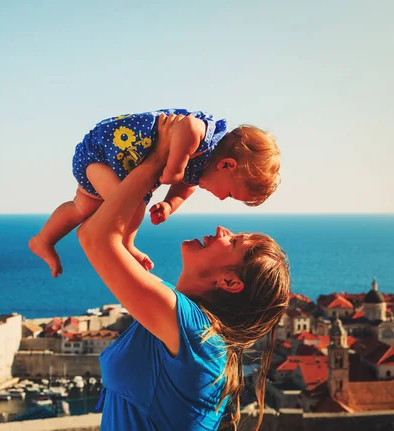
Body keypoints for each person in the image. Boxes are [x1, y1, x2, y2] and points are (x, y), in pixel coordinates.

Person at [77, 114, 290, 431]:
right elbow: (98, 236)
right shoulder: (196, 332)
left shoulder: (192, 331)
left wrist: (154, 161)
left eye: (232, 242)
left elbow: (94, 238)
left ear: (229, 281)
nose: (221, 230)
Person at [29, 109, 280, 278]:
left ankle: (44, 239)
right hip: (103, 154)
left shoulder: (200, 170)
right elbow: (188, 126)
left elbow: (187, 185)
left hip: (116, 167)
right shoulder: (206, 139)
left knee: (82, 207)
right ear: (226, 165)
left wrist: (170, 204)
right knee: (129, 205)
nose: (223, 198)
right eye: (230, 193)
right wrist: (174, 167)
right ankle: (125, 245)